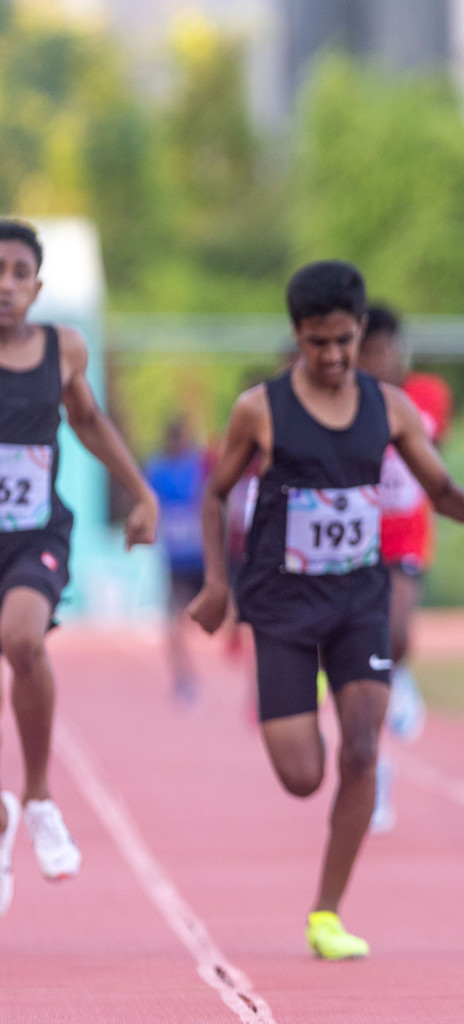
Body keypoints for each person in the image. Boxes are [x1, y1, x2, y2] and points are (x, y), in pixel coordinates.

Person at [188, 261, 464, 959]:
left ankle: (326, 914)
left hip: (360, 598)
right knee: (303, 776)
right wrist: (217, 582)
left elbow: (441, 490)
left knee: (363, 747)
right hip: (282, 603)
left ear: (361, 331)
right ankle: (304, 716)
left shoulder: (390, 408)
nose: (332, 357)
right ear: (298, 335)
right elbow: (214, 496)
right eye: (317, 342)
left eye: (344, 341)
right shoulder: (259, 409)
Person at [0, 219, 159, 916]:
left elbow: (89, 421)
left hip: (35, 532)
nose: (4, 286)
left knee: (24, 640)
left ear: (37, 287)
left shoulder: (63, 349)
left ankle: (37, 797)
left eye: (17, 274)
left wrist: (144, 492)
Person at [354, 304, 453, 833]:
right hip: (353, 547)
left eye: (388, 347)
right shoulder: (344, 403)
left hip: (407, 537)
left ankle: (402, 670)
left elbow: (437, 454)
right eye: (371, 350)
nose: (382, 358)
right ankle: (374, 769)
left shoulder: (428, 396)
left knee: (394, 630)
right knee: (357, 670)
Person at [145, 417, 208, 707]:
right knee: (173, 623)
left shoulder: (200, 467)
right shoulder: (157, 471)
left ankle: (255, 679)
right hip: (176, 562)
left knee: (240, 621)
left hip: (204, 559)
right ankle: (184, 679)